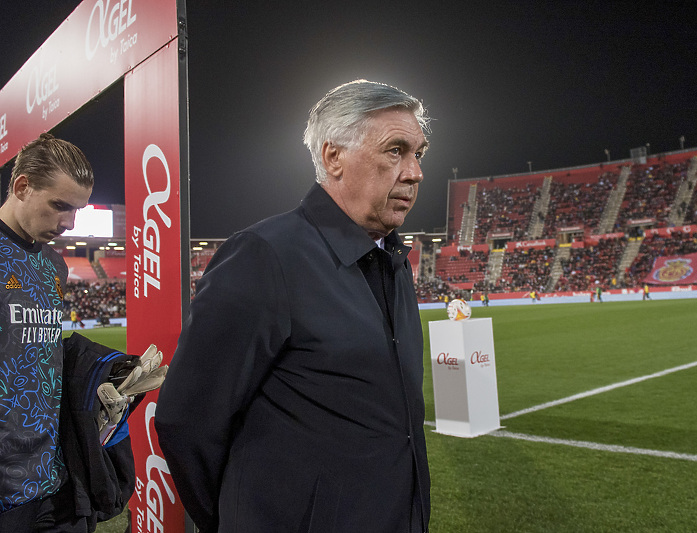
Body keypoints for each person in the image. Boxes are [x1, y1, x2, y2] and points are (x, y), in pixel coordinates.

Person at [155, 80, 431, 532]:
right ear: (333, 157)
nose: (415, 172)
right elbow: (186, 421)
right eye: (396, 150)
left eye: (418, 153)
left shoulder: (394, 264)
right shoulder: (265, 255)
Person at [0, 134, 163, 531]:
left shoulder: (55, 265)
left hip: (56, 478)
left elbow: (39, 353)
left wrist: (98, 377)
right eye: (60, 206)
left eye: (77, 210)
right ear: (22, 186)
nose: (70, 223)